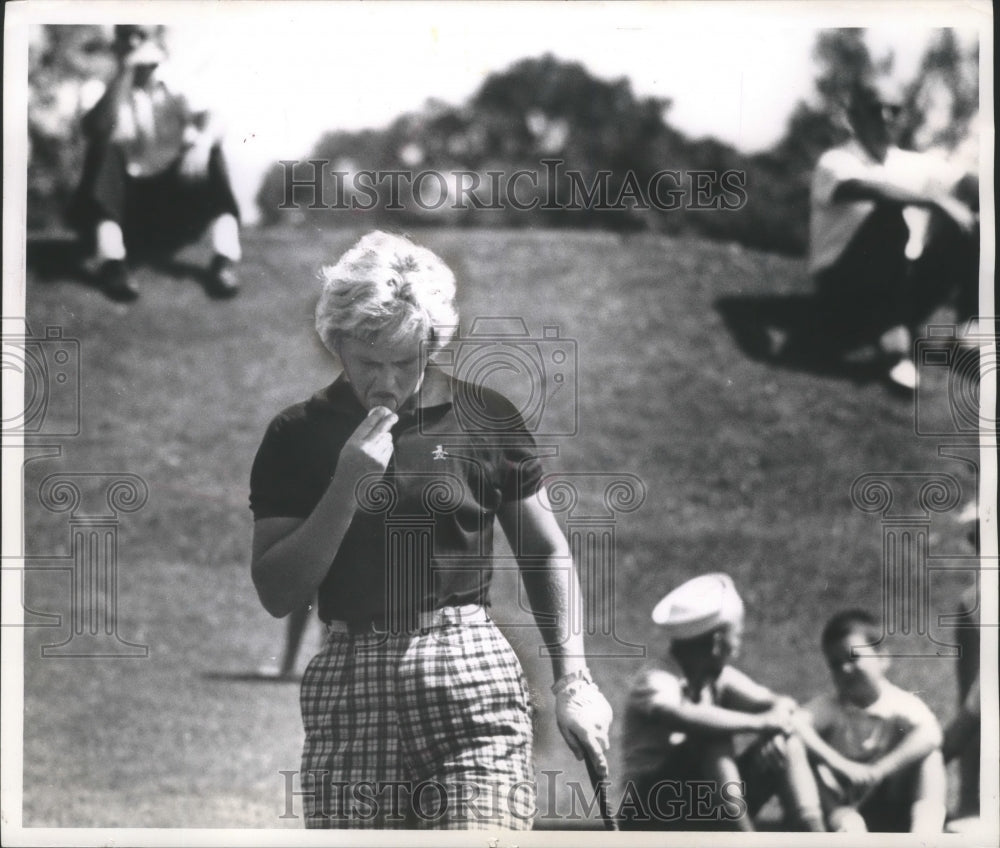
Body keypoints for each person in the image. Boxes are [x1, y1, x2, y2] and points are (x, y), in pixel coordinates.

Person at [249, 231, 612, 829]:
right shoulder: (296, 434)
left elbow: (544, 552)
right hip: (349, 681)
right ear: (337, 343)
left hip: (470, 673)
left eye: (407, 360)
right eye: (369, 362)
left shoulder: (485, 417)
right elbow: (277, 590)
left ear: (433, 342)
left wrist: (574, 679)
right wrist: (346, 486)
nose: (388, 381)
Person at [802, 79, 978, 391]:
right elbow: (869, 188)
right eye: (875, 109)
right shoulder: (836, 161)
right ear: (852, 117)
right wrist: (935, 199)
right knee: (889, 217)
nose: (885, 117)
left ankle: (966, 337)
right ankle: (895, 353)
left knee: (978, 223)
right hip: (843, 288)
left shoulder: (914, 163)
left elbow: (969, 181)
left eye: (893, 110)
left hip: (902, 284)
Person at [619, 573, 825, 831]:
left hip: (704, 802)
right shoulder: (656, 678)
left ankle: (814, 834)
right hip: (649, 809)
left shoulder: (718, 678)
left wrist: (775, 728)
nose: (738, 644)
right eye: (737, 635)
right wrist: (760, 723)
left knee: (787, 743)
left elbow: (781, 702)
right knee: (710, 735)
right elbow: (678, 714)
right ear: (718, 642)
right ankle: (743, 839)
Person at [68, 25, 242, 301]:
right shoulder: (97, 87)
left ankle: (224, 260)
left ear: (155, 43)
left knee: (211, 150)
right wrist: (124, 73)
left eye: (141, 36)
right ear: (117, 45)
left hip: (170, 203)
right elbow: (96, 129)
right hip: (123, 208)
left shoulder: (177, 84)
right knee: (105, 148)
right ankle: (112, 263)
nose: (135, 43)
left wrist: (203, 142)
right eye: (126, 36)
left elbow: (215, 119)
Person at [793, 609, 947, 833]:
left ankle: (925, 832)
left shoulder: (898, 702)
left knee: (931, 758)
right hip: (845, 800)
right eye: (835, 665)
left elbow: (932, 734)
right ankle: (844, 823)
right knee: (803, 755)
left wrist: (880, 769)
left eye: (853, 657)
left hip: (891, 797)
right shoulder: (832, 706)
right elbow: (795, 723)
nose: (845, 669)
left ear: (882, 658)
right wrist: (840, 764)